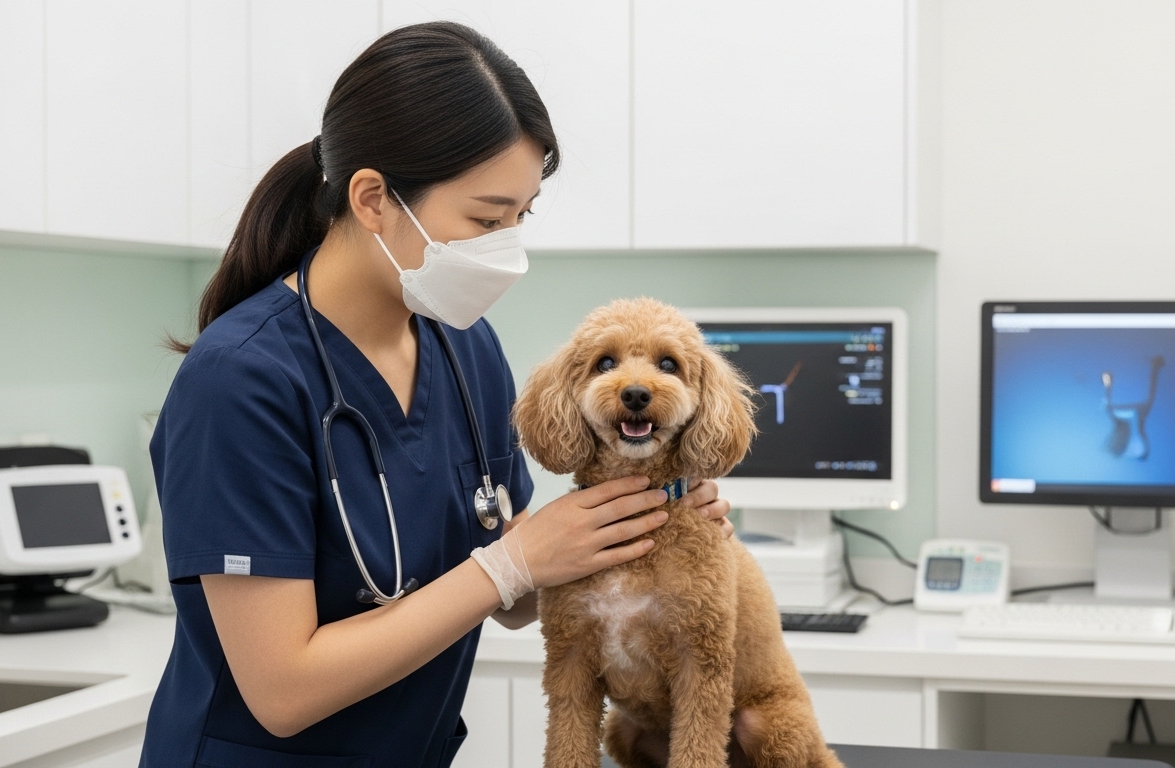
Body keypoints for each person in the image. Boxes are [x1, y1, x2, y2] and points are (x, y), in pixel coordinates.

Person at [139, 22, 731, 767]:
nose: (506, 246)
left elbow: (515, 598)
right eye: (486, 219)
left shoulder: (464, 348)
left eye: (520, 218)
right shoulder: (240, 380)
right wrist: (508, 565)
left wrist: (633, 531)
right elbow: (282, 691)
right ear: (372, 199)